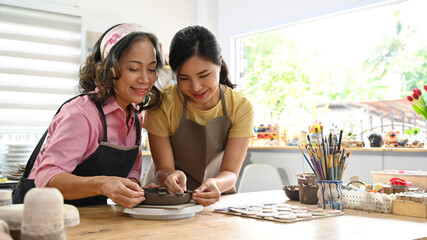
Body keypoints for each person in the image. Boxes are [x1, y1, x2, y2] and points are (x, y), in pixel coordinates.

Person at [12, 23, 163, 208]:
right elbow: (47, 178)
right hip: (41, 215)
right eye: (133, 68)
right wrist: (102, 185)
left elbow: (130, 176)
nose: (145, 79)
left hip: (89, 221)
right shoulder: (81, 114)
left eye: (151, 69)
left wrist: (138, 192)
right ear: (110, 69)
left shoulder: (135, 119)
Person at [143, 25, 254, 207]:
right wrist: (169, 176)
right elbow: (163, 169)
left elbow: (230, 173)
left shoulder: (240, 106)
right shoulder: (163, 103)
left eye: (204, 75)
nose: (195, 87)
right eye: (184, 79)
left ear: (219, 64)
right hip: (169, 199)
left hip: (217, 199)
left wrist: (216, 183)